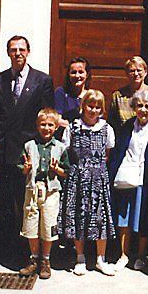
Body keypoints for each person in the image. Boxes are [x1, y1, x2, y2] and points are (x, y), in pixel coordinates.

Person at [0, 35, 54, 263]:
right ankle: (5, 247)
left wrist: (43, 153)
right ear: (8, 53)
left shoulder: (42, 80)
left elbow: (47, 118)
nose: (17, 53)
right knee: (3, 204)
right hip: (1, 152)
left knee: (27, 203)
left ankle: (26, 251)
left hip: (29, 154)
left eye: (21, 49)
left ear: (28, 51)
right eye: (13, 49)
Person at [108, 89, 148, 271]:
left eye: (147, 106)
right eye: (140, 106)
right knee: (124, 218)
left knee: (144, 219)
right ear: (134, 107)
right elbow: (119, 151)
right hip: (126, 177)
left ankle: (141, 256)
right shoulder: (128, 125)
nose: (143, 110)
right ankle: (123, 255)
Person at [59, 90, 117, 276]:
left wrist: (96, 169)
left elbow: (107, 154)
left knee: (100, 218)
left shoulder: (106, 129)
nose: (93, 110)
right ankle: (80, 257)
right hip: (77, 178)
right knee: (79, 216)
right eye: (90, 106)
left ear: (102, 109)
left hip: (98, 177)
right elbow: (66, 152)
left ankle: (101, 258)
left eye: (97, 107)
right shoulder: (73, 127)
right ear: (83, 106)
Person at [17, 108, 70, 279]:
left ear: (56, 127)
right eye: (43, 125)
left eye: (50, 125)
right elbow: (22, 168)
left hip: (51, 191)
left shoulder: (60, 147)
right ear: (37, 126)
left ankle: (46, 260)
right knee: (31, 224)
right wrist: (25, 169)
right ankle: (34, 259)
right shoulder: (29, 145)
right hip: (32, 189)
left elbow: (66, 171)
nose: (46, 128)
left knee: (48, 226)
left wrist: (57, 170)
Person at [107, 56, 148, 131]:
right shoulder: (117, 96)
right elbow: (111, 124)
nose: (136, 74)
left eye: (139, 70)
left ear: (145, 72)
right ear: (127, 73)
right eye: (132, 71)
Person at [54, 56, 90, 125]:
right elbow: (57, 119)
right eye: (73, 72)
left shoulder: (90, 96)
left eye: (81, 72)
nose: (77, 76)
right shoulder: (61, 93)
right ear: (69, 75)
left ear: (87, 74)